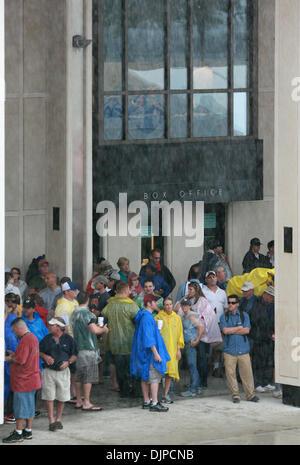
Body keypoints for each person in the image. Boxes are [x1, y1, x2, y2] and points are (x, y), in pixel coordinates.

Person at [175, 281, 222, 389]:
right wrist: (184, 297)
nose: (189, 291)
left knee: (201, 358)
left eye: (191, 289)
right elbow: (177, 309)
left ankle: (203, 382)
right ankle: (194, 382)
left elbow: (207, 316)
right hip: (190, 335)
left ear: (196, 290)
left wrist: (199, 330)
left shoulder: (202, 300)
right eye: (188, 289)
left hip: (201, 335)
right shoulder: (188, 300)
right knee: (192, 361)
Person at [3, 318, 41, 443]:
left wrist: (9, 358)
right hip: (33, 379)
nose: (14, 333)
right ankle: (28, 431)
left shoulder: (25, 340)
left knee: (20, 409)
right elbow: (26, 357)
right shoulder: (33, 338)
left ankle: (18, 433)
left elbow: (21, 360)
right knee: (30, 407)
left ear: (19, 328)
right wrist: (15, 354)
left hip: (23, 381)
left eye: (14, 330)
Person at [130, 294, 171, 412]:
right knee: (154, 378)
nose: (157, 303)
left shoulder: (142, 316)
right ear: (149, 303)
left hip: (143, 353)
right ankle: (154, 402)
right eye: (155, 302)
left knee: (145, 376)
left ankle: (147, 401)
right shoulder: (147, 318)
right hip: (149, 354)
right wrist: (156, 353)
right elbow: (148, 338)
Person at [71, 291, 109, 410]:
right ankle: (86, 402)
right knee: (88, 377)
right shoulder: (88, 314)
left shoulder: (74, 313)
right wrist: (104, 330)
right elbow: (94, 330)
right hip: (88, 347)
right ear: (88, 300)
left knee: (78, 376)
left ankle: (78, 401)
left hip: (77, 348)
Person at [102, 281, 140, 398]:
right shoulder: (132, 305)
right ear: (126, 291)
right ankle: (135, 390)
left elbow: (103, 318)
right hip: (130, 342)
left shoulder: (109, 304)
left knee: (120, 369)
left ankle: (123, 391)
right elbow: (138, 321)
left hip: (115, 343)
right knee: (132, 368)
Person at [39, 317, 78, 431]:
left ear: (59, 327)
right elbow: (39, 351)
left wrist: (68, 362)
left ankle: (58, 419)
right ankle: (51, 421)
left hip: (63, 372)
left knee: (62, 397)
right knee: (49, 396)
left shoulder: (69, 339)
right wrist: (45, 356)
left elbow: (75, 355)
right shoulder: (46, 339)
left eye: (52, 325)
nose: (49, 327)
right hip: (48, 371)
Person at [220, 295, 259, 404]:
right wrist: (238, 328)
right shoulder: (224, 317)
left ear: (237, 304)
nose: (230, 305)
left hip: (243, 349)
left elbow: (246, 331)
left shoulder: (244, 315)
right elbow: (225, 331)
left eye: (233, 303)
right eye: (229, 303)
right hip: (229, 350)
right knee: (230, 374)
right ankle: (235, 395)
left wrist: (231, 330)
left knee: (247, 373)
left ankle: (250, 395)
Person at [154, 297, 184, 404]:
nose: (168, 306)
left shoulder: (177, 318)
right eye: (166, 304)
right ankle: (155, 396)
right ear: (163, 306)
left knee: (169, 373)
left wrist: (178, 349)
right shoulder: (158, 317)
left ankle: (165, 394)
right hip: (161, 349)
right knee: (158, 373)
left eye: (170, 304)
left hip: (173, 349)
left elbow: (180, 334)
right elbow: (155, 334)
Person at [249, 286, 276, 393]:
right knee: (258, 362)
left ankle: (267, 382)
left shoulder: (271, 306)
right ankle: (258, 383)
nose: (272, 299)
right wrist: (269, 334)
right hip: (259, 338)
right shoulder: (257, 305)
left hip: (269, 338)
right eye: (271, 297)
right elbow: (258, 323)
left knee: (269, 361)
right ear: (266, 295)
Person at [202, 271, 228, 378]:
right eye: (209, 277)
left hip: (219, 323)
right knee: (207, 346)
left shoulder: (222, 292)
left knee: (219, 347)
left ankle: (216, 367)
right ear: (206, 280)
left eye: (214, 277)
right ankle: (206, 366)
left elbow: (226, 308)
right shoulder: (203, 292)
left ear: (217, 278)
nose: (212, 279)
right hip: (207, 323)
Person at [180, 299, 204, 398]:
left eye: (186, 305)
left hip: (191, 343)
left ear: (190, 306)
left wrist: (197, 340)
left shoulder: (191, 315)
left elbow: (200, 327)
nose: (184, 307)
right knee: (192, 365)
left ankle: (193, 389)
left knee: (192, 365)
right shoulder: (184, 315)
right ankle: (196, 387)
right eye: (183, 305)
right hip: (186, 343)